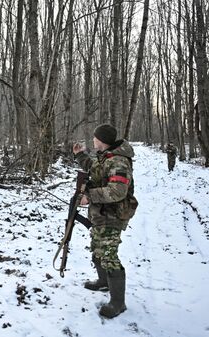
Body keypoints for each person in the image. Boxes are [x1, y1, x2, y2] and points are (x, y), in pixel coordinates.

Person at [72, 123, 136, 318]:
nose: (93, 140)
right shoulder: (106, 157)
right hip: (101, 213)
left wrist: (89, 196)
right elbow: (95, 168)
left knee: (109, 256)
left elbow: (117, 191)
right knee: (98, 249)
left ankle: (118, 303)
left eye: (95, 138)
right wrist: (80, 156)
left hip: (113, 215)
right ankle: (103, 282)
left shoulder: (119, 162)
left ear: (102, 140)